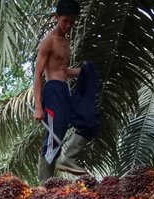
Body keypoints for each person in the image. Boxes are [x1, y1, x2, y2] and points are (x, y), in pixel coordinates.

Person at [33, 0, 99, 183]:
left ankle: (68, 156)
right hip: (53, 91)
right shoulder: (49, 42)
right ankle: (44, 187)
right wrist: (38, 106)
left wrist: (84, 71)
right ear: (56, 18)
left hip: (64, 90)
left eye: (72, 22)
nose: (68, 25)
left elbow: (63, 71)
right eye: (65, 21)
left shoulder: (65, 41)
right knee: (54, 137)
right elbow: (37, 74)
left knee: (89, 123)